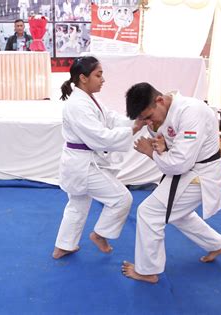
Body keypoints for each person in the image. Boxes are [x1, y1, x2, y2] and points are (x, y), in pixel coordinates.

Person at [122, 82, 221, 284]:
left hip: (199, 175)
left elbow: (179, 163)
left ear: (160, 100)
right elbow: (167, 145)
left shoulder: (191, 112)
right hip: (187, 171)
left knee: (149, 212)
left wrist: (151, 152)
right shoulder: (164, 113)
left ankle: (148, 270)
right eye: (142, 119)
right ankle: (218, 244)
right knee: (178, 214)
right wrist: (161, 146)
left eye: (148, 117)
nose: (147, 122)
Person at [52, 56, 144, 260]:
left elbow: (110, 118)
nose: (103, 80)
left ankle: (63, 246)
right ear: (83, 78)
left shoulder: (88, 98)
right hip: (82, 165)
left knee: (77, 204)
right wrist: (133, 130)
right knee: (122, 198)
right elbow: (99, 137)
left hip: (80, 161)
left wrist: (133, 122)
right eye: (98, 75)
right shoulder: (77, 105)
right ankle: (101, 234)